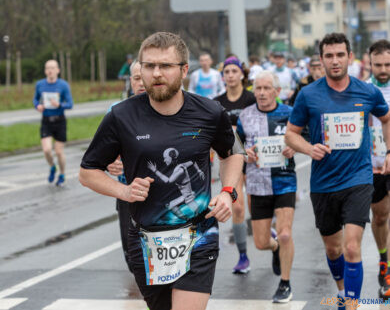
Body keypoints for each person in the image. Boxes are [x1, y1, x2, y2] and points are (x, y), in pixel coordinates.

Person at [79, 32, 244, 310]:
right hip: (146, 239)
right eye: (149, 66)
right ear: (140, 69)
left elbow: (233, 153)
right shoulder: (121, 116)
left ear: (183, 70)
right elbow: (87, 171)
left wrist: (228, 192)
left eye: (165, 66)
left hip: (198, 235)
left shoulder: (210, 112)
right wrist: (124, 190)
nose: (156, 73)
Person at [285, 33, 390, 308]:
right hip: (323, 183)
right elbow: (290, 135)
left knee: (352, 246)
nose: (335, 61)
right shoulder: (308, 95)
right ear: (321, 60)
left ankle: (352, 304)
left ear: (350, 57)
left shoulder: (368, 92)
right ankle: (343, 292)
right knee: (333, 249)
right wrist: (308, 149)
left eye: (340, 55)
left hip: (359, 178)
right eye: (329, 56)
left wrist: (389, 151)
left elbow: (386, 118)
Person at [236, 70, 297, 303]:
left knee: (284, 234)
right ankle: (274, 250)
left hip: (284, 182)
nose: (261, 93)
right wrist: (245, 154)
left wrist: (295, 147)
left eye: (266, 88)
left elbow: (307, 138)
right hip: (257, 184)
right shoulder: (245, 115)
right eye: (257, 89)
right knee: (261, 242)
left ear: (277, 91)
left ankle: (285, 283)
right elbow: (235, 147)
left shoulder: (290, 114)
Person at [214, 56, 255, 274]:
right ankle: (243, 256)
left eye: (233, 71)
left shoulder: (251, 99)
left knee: (255, 208)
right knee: (238, 206)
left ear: (241, 74)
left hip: (255, 158)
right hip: (233, 159)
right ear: (222, 76)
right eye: (226, 71)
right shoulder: (217, 102)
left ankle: (267, 234)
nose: (230, 75)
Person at [106, 60, 146, 272]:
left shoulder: (166, 108)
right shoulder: (116, 111)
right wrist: (109, 162)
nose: (140, 83)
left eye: (143, 77)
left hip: (160, 193)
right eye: (136, 78)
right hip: (126, 192)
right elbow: (101, 153)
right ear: (130, 81)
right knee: (132, 257)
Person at [365, 40, 390, 297]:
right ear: (369, 63)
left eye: (387, 64)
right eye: (378, 64)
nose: (383, 69)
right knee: (380, 216)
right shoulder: (362, 89)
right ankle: (384, 259)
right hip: (373, 163)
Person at [33, 59, 73, 186]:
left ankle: (62, 173)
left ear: (58, 70)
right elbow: (35, 100)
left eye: (53, 68)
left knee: (59, 152)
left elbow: (70, 104)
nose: (50, 71)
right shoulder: (40, 84)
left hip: (60, 121)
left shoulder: (63, 85)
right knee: (46, 150)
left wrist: (59, 104)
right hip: (46, 121)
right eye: (48, 68)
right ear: (45, 71)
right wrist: (37, 106)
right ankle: (52, 167)